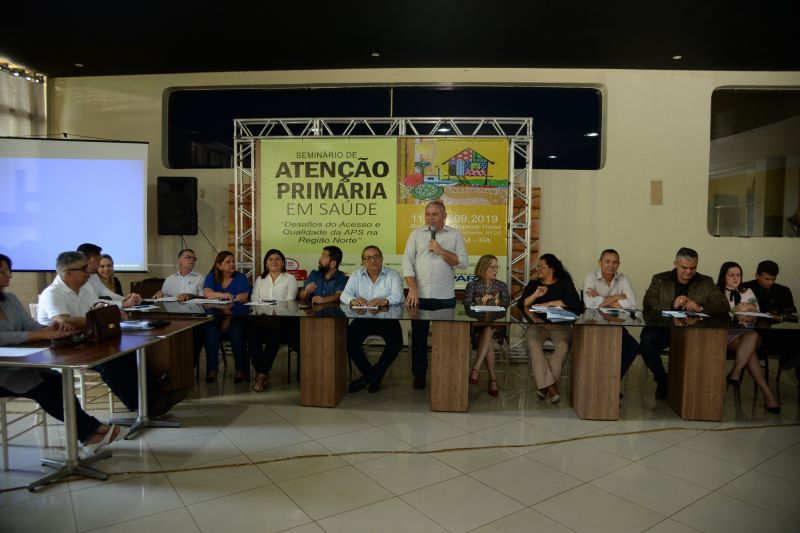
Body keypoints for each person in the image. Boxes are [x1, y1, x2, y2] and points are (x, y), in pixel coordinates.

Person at [36, 251, 173, 416]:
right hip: (62, 349)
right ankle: (139, 406)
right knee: (109, 363)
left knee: (130, 352)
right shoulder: (53, 293)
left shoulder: (85, 288)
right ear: (67, 273)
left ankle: (156, 395)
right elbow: (64, 321)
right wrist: (98, 320)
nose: (89, 272)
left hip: (85, 340)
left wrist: (114, 310)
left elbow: (97, 306)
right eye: (84, 268)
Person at [640, 247, 729, 399]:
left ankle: (695, 389)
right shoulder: (660, 279)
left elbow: (724, 305)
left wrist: (700, 306)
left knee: (710, 348)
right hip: (664, 329)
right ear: (675, 263)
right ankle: (663, 380)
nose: (688, 272)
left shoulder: (705, 281)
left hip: (695, 331)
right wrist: (671, 304)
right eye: (684, 268)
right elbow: (648, 302)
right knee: (646, 343)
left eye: (693, 268)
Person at [403, 200, 468, 389]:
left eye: (435, 214)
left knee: (445, 339)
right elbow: (407, 263)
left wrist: (441, 250)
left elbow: (462, 263)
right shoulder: (416, 234)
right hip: (420, 296)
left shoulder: (454, 235)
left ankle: (444, 373)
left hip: (444, 296)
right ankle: (419, 375)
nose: (430, 218)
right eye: (428, 214)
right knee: (419, 338)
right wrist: (413, 289)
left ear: (444, 216)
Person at [716, 261, 780, 413]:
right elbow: (716, 316)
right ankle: (768, 395)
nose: (735, 278)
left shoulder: (747, 291)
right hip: (728, 334)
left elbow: (755, 314)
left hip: (747, 331)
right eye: (731, 275)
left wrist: (749, 316)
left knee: (752, 334)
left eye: (738, 275)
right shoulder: (716, 293)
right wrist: (733, 311)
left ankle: (736, 371)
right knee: (750, 353)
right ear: (724, 276)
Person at [517, 253, 581, 403]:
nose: (538, 269)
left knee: (563, 346)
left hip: (560, 325)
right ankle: (551, 386)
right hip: (538, 325)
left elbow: (577, 305)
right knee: (533, 345)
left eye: (541, 266)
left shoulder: (564, 283)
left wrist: (551, 303)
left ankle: (544, 386)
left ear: (551, 269)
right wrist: (535, 295)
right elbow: (522, 304)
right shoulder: (534, 284)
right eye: (537, 266)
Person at [341, 246, 405, 393]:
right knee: (349, 341)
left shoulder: (393, 274)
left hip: (388, 320)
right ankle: (373, 377)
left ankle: (370, 377)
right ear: (362, 261)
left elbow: (399, 296)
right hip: (363, 319)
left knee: (396, 343)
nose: (372, 260)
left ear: (382, 258)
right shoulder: (356, 275)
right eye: (367, 257)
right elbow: (344, 295)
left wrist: (384, 300)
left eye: (376, 256)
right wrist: (352, 300)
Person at [582, 249, 640, 381]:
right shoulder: (590, 277)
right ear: (600, 262)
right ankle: (596, 382)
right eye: (607, 261)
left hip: (616, 325)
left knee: (633, 347)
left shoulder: (623, 278)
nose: (611, 265)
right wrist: (618, 297)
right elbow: (590, 304)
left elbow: (632, 304)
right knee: (602, 350)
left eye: (614, 262)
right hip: (594, 326)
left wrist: (601, 299)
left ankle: (612, 382)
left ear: (618, 265)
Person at [249, 249, 299, 392]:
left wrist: (275, 309)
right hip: (262, 318)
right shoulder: (260, 279)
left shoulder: (289, 278)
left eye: (277, 259)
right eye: (270, 259)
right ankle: (262, 372)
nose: (274, 262)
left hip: (282, 319)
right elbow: (254, 299)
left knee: (274, 336)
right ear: (266, 263)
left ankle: (261, 374)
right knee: (252, 336)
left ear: (283, 263)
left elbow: (290, 300)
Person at [463, 255, 509, 397]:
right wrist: (482, 304)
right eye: (493, 267)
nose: (496, 270)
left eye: (497, 267)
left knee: (489, 329)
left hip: (496, 325)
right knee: (487, 331)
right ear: (484, 268)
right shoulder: (472, 285)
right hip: (477, 324)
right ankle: (493, 379)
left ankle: (476, 369)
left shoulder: (501, 285)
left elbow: (506, 304)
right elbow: (467, 305)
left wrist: (493, 302)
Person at [203, 251, 251, 383]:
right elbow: (207, 293)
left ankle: (240, 369)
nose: (232, 264)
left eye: (233, 261)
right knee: (209, 332)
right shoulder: (211, 276)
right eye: (228, 262)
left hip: (237, 315)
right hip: (216, 315)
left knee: (236, 333)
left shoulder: (240, 277)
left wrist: (228, 317)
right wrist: (223, 295)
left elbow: (243, 297)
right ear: (219, 265)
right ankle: (212, 369)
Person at [743, 260, 799, 373]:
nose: (770, 283)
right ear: (756, 275)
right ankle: (788, 358)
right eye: (766, 279)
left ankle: (789, 360)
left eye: (774, 279)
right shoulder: (746, 288)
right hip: (754, 334)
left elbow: (791, 313)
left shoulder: (784, 291)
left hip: (779, 333)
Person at [77, 243, 141, 307]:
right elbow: (93, 301)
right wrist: (123, 304)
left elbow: (106, 293)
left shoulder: (93, 276)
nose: (99, 264)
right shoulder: (79, 278)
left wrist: (125, 299)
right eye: (99, 262)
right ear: (92, 260)